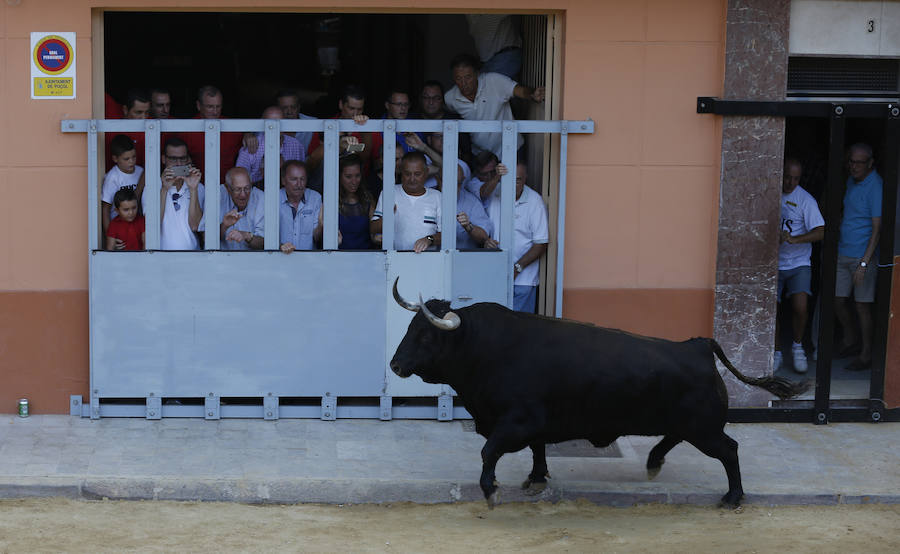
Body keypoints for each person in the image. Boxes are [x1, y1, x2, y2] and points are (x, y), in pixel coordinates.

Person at [834, 143, 883, 371]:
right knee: (837, 301)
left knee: (862, 306)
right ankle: (850, 338)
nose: (853, 166)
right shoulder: (851, 181)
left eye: (859, 162)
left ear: (870, 163)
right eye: (851, 161)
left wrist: (864, 263)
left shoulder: (876, 186)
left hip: (862, 257)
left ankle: (865, 354)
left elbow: (877, 228)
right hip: (843, 252)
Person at [775, 158, 824, 374]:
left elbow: (821, 231)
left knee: (800, 307)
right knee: (771, 310)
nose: (790, 182)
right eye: (787, 176)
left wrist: (796, 239)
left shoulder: (806, 200)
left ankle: (797, 347)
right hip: (772, 263)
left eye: (795, 178)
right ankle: (775, 351)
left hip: (798, 262)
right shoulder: (768, 191)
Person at [443, 53, 544, 157]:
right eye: (459, 78)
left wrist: (533, 94)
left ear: (477, 73)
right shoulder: (450, 98)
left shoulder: (494, 81)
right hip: (481, 156)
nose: (464, 83)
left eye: (468, 77)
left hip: (512, 149)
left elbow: (520, 91)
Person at [484, 161, 548, 313]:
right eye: (509, 178)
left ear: (525, 179)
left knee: (520, 328)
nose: (513, 184)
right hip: (494, 275)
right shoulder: (495, 193)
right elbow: (481, 195)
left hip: (523, 280)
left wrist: (517, 269)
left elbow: (541, 243)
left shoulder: (534, 201)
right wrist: (486, 241)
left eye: (518, 179)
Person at [371, 151, 441, 252]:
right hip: (394, 259)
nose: (412, 179)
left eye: (417, 174)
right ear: (401, 172)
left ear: (426, 172)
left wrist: (429, 239)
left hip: (428, 261)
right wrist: (387, 218)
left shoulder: (437, 197)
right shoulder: (389, 193)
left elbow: (447, 234)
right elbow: (373, 229)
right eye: (407, 174)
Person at [142, 137, 204, 250]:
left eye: (183, 158)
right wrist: (164, 189)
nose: (179, 163)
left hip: (193, 257)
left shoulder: (198, 187)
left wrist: (193, 189)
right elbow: (152, 226)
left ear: (188, 159)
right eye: (173, 159)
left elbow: (195, 226)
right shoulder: (151, 187)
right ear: (163, 159)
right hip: (161, 258)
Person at [306, 85, 382, 175]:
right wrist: (336, 144)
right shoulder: (326, 127)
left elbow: (375, 162)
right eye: (351, 108)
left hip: (359, 183)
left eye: (359, 109)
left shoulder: (369, 129)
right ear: (341, 105)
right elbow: (310, 164)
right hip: (325, 182)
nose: (355, 114)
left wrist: (365, 131)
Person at [180, 85, 244, 179]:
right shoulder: (186, 130)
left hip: (229, 188)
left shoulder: (233, 128)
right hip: (194, 187)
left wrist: (248, 135)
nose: (215, 112)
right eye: (210, 107)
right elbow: (176, 163)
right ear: (198, 106)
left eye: (218, 107)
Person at [235, 106, 304, 188]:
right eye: (270, 123)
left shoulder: (296, 145)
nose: (274, 127)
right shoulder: (250, 146)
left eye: (279, 122)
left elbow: (302, 175)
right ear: (262, 124)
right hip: (256, 193)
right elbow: (238, 180)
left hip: (290, 194)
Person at [101, 134, 145, 243]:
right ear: (115, 158)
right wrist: (109, 237)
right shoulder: (113, 177)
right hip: (118, 228)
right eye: (126, 159)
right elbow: (106, 209)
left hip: (137, 226)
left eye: (134, 157)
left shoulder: (141, 172)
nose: (131, 161)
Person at [279, 161, 322, 253]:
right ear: (283, 181)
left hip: (308, 260)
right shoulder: (274, 199)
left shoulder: (315, 198)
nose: (299, 184)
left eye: (302, 179)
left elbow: (316, 237)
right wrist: (279, 246)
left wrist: (322, 225)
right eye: (294, 179)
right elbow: (266, 236)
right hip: (280, 258)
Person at [220, 167, 265, 251]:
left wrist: (247, 236)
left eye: (247, 188)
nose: (243, 195)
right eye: (237, 189)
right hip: (222, 260)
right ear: (228, 188)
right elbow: (205, 238)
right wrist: (224, 226)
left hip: (253, 261)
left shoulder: (260, 197)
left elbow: (265, 244)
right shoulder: (218, 195)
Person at [104, 88, 149, 171]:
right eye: (138, 112)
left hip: (137, 179)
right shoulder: (113, 113)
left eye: (147, 112)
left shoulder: (151, 128)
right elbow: (91, 87)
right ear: (125, 110)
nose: (144, 117)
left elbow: (149, 167)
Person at [465, 14, 523, 79]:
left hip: (505, 57)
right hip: (490, 61)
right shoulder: (474, 16)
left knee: (490, 86)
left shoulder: (491, 10)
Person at [336, 155, 374, 250]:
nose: (354, 181)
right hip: (337, 258)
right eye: (348, 177)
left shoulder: (367, 200)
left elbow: (374, 233)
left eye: (357, 176)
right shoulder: (331, 201)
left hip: (365, 258)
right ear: (339, 176)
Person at [276, 89, 317, 155]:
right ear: (277, 109)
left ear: (298, 107)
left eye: (293, 107)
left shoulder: (314, 123)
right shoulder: (270, 123)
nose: (289, 112)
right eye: (284, 108)